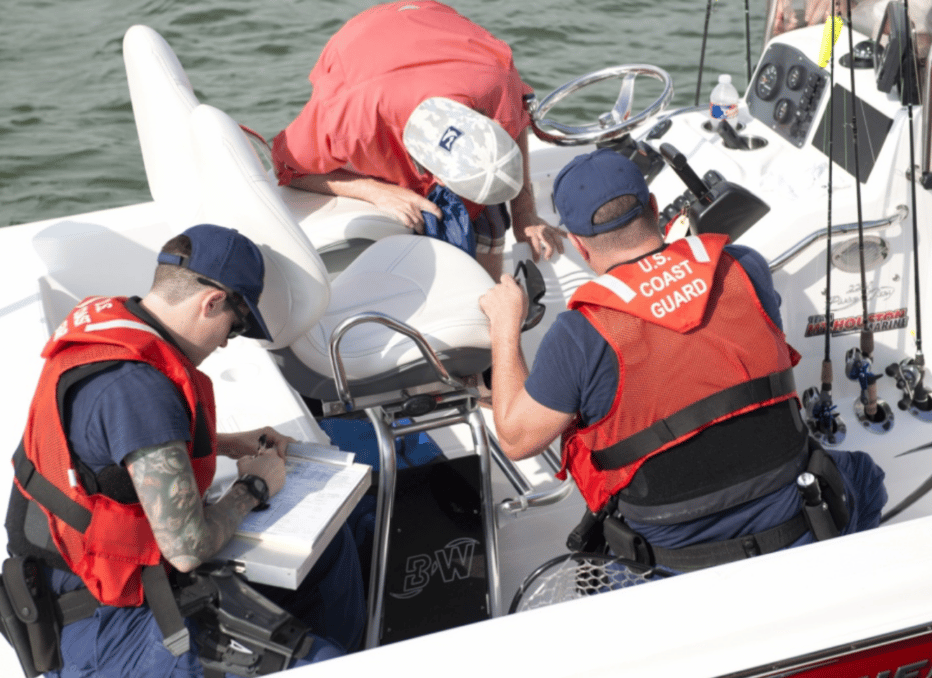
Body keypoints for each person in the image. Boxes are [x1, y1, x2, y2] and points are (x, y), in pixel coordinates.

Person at [478, 149, 887, 571]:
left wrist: (505, 327)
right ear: (654, 208)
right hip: (795, 522)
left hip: (673, 559)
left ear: (580, 246)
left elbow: (516, 439)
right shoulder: (745, 268)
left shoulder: (579, 334)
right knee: (865, 477)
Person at [2, 224, 364, 676]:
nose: (227, 341)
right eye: (235, 326)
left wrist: (230, 444)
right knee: (326, 664)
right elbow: (188, 548)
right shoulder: (139, 390)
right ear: (211, 302)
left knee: (329, 550)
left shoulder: (113, 332)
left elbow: (117, 457)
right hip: (105, 623)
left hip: (89, 581)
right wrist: (255, 484)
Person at [271, 0, 564, 281]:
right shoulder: (351, 124)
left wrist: (526, 212)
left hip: (438, 26)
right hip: (363, 46)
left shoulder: (498, 85)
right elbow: (287, 168)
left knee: (487, 216)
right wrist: (374, 191)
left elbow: (517, 125)